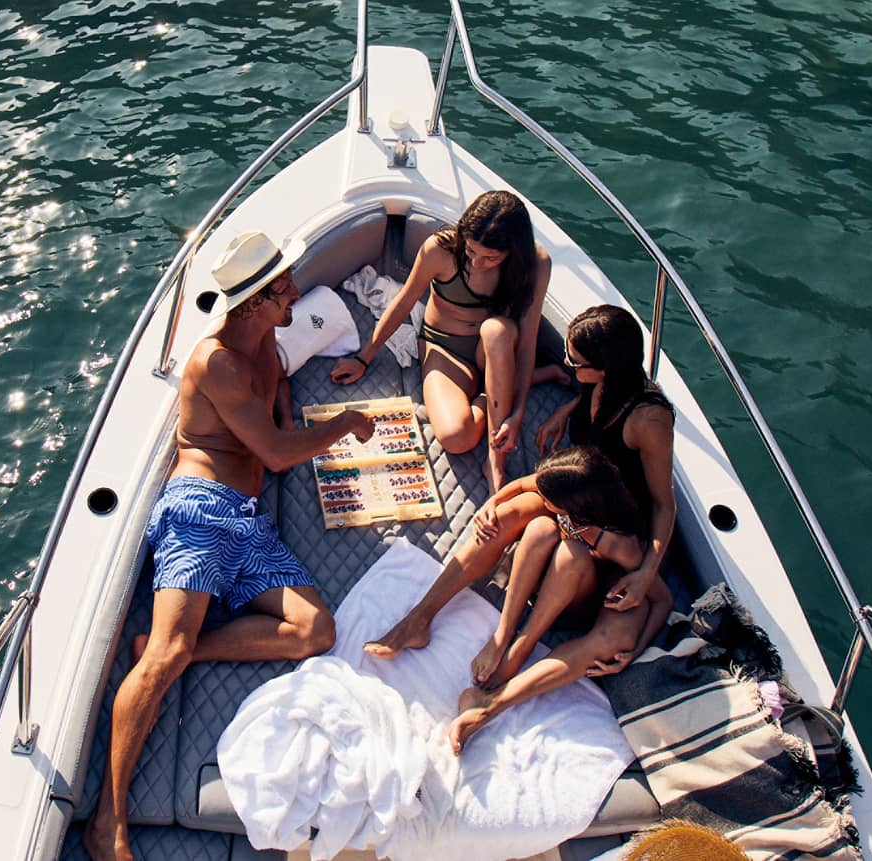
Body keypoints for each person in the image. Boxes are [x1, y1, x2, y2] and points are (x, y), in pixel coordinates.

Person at [84, 231, 376, 861]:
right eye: (284, 287)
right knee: (164, 655)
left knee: (316, 630)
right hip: (200, 510)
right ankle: (108, 818)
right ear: (252, 302)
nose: (294, 290)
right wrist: (343, 426)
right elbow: (272, 453)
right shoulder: (213, 361)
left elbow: (274, 414)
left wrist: (300, 422)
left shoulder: (265, 336)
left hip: (247, 521)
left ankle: (182, 648)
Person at [364, 447, 672, 753]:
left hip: (585, 593)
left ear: (573, 506)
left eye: (550, 499)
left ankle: (497, 690)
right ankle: (453, 625)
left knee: (571, 559)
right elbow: (526, 485)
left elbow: (662, 601)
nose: (542, 496)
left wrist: (636, 650)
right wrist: (492, 502)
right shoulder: (574, 489)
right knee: (538, 526)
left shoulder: (620, 546)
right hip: (546, 566)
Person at [329, 190, 551, 495]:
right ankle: (497, 391)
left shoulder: (536, 264)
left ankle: (495, 461)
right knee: (456, 438)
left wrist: (517, 415)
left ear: (514, 251)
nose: (477, 262)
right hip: (444, 348)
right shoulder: (440, 249)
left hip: (496, 348)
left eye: (491, 258)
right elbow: (404, 302)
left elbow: (526, 342)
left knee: (495, 331)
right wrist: (364, 357)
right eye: (472, 251)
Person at [534, 304, 676, 612]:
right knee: (501, 516)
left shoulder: (649, 423)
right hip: (583, 496)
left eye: (574, 361)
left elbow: (665, 505)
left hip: (622, 523)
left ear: (605, 368)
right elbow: (592, 402)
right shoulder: (598, 384)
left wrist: (646, 572)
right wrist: (566, 411)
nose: (567, 364)